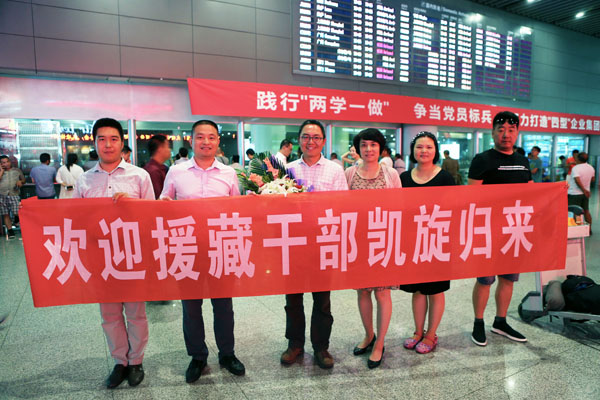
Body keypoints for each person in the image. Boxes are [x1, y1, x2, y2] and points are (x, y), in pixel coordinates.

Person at [160, 120, 245, 383]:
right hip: (187, 248)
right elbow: (163, 203)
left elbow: (237, 208)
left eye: (211, 137)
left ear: (218, 141)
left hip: (220, 248)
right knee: (191, 307)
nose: (206, 142)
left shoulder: (229, 173)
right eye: (200, 137)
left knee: (224, 306)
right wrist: (161, 205)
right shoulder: (176, 171)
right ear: (191, 140)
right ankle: (197, 356)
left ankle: (227, 354)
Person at [73, 118, 155, 389]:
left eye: (113, 139)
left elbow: (153, 217)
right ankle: (120, 362)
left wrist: (133, 206)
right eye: (102, 139)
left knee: (136, 313)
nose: (107, 145)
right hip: (100, 257)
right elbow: (75, 220)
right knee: (109, 315)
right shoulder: (84, 180)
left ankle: (136, 361)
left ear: (122, 143)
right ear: (94, 143)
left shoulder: (139, 176)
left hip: (132, 256)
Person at [281, 120, 349, 370]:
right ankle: (295, 344)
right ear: (299, 140)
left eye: (316, 137)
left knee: (322, 299)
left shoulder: (335, 170)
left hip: (323, 241)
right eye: (306, 137)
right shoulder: (286, 170)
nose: (311, 141)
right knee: (293, 299)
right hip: (293, 242)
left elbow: (342, 205)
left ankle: (321, 346)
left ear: (323, 141)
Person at [468, 111, 531, 347]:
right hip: (489, 230)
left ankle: (500, 321)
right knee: (485, 280)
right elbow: (471, 197)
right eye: (501, 130)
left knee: (508, 279)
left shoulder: (523, 161)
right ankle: (478, 322)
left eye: (511, 130)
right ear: (493, 132)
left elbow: (532, 194)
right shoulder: (482, 160)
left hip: (514, 230)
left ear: (517, 133)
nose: (506, 134)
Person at [345, 129, 401, 368]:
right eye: (364, 145)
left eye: (373, 145)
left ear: (381, 148)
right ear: (358, 148)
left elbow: (400, 207)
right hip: (358, 242)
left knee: (382, 293)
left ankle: (380, 343)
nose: (368, 149)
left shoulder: (390, 174)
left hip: (383, 241)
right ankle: (369, 335)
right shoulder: (349, 173)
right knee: (362, 292)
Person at [400, 132, 454, 354]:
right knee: (418, 290)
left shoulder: (445, 178)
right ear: (413, 150)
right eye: (419, 147)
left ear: (435, 151)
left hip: (437, 240)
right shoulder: (403, 178)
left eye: (429, 147)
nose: (424, 151)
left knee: (435, 289)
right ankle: (418, 331)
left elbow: (452, 210)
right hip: (413, 241)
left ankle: (431, 334)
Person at [568, 152, 595, 232]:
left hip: (574, 194)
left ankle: (577, 230)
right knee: (586, 211)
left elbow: (577, 180)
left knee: (574, 212)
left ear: (578, 159)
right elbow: (593, 179)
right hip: (585, 194)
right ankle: (589, 229)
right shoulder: (590, 167)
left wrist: (584, 190)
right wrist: (586, 189)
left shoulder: (576, 168)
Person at [0, 155, 25, 238]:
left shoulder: (17, 170)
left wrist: (21, 181)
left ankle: (18, 222)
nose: (6, 164)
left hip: (14, 194)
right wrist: (1, 171)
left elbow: (23, 180)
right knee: (5, 213)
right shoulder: (0, 171)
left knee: (17, 212)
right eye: (3, 162)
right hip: (2, 195)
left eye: (7, 161)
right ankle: (10, 231)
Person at [143, 135, 170, 199]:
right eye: (168, 146)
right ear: (160, 149)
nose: (169, 150)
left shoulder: (160, 168)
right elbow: (158, 199)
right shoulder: (154, 171)